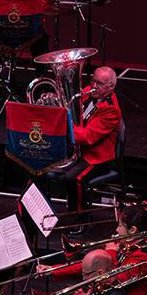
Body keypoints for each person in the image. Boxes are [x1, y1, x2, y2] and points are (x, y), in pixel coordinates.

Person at [61, 66, 121, 216]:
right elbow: (70, 104)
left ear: (111, 86)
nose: (94, 86)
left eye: (99, 83)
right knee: (41, 163)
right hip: (80, 150)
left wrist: (64, 124)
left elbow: (87, 137)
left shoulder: (111, 110)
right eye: (93, 81)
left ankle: (80, 218)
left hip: (97, 157)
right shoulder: (90, 91)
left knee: (74, 178)